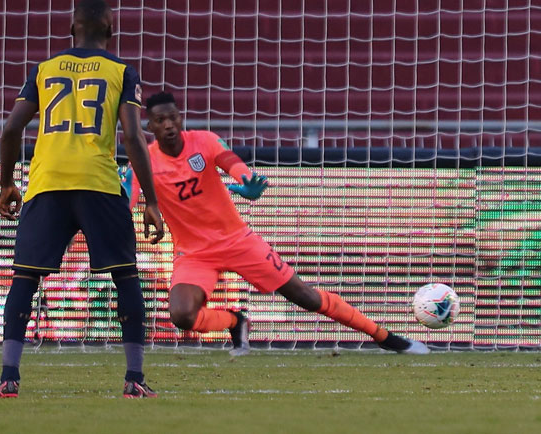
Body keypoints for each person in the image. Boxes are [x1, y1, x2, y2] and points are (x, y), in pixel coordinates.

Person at [122, 91, 428, 356]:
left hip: (237, 241)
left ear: (180, 117)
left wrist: (246, 180)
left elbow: (231, 162)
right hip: (194, 253)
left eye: (173, 118)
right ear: (150, 127)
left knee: (305, 297)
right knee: (181, 315)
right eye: (161, 121)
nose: (169, 125)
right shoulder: (144, 161)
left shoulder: (203, 140)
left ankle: (384, 337)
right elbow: (127, 200)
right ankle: (234, 321)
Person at [0, 0, 165, 399]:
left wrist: (5, 182)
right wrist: (151, 202)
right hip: (97, 181)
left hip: (47, 180)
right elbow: (134, 137)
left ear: (72, 29)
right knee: (125, 277)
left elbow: (10, 130)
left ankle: (8, 378)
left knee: (24, 277)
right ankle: (134, 380)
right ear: (111, 30)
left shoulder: (44, 69)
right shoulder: (122, 71)